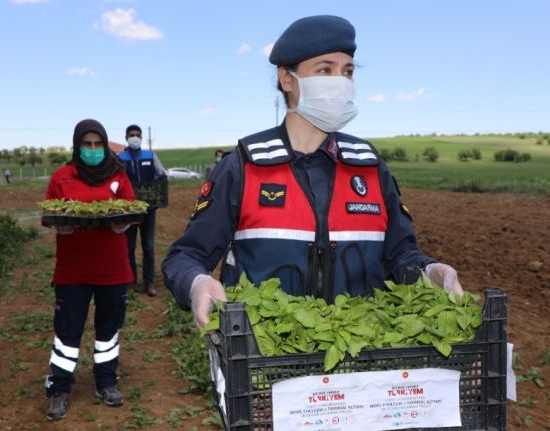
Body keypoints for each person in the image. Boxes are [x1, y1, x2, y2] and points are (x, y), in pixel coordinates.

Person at [162, 15, 464, 330]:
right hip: (262, 358)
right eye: (325, 70)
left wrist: (428, 271)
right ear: (287, 79)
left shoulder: (371, 169)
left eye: (347, 72)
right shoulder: (242, 168)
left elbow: (400, 253)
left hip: (361, 353)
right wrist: (196, 282)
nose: (341, 81)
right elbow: (185, 256)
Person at [43, 119, 135, 421]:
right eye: (87, 144)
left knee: (108, 330)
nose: (93, 150)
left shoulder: (118, 176)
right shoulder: (62, 177)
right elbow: (49, 212)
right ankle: (59, 387)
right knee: (67, 331)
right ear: (77, 145)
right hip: (73, 270)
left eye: (98, 144)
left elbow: (132, 209)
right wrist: (61, 223)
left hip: (112, 269)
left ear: (105, 145)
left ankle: (106, 381)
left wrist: (125, 220)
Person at [117, 124, 166, 296]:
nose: (135, 137)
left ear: (141, 137)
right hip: (128, 210)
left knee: (148, 246)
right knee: (128, 246)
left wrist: (159, 186)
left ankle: (149, 282)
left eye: (138, 134)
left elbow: (161, 173)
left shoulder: (150, 156)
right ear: (126, 138)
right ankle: (130, 280)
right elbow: (114, 179)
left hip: (148, 208)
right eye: (132, 135)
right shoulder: (120, 157)